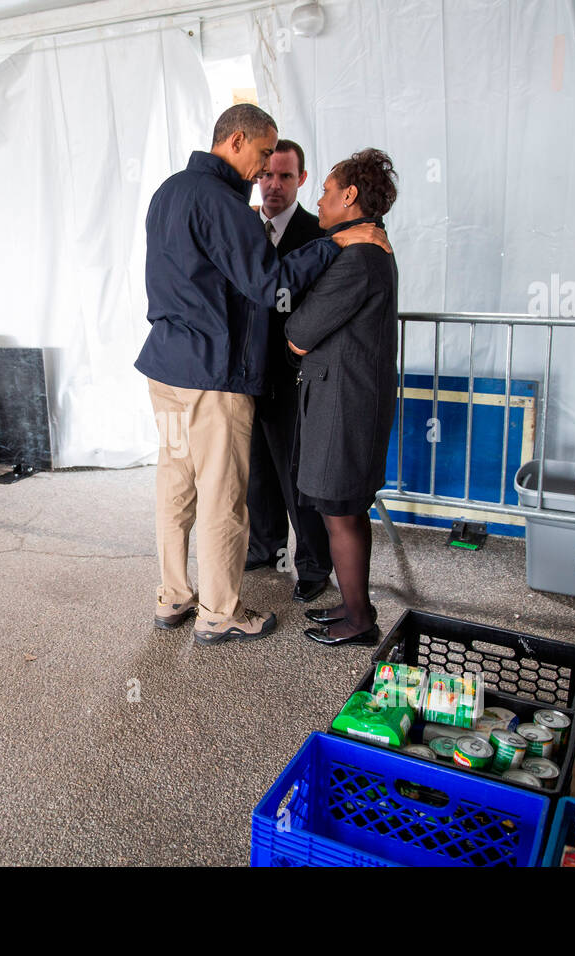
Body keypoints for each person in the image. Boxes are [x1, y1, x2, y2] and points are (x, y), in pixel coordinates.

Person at [137, 105, 390, 647]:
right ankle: (219, 613)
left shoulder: (168, 192)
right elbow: (265, 280)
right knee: (224, 496)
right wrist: (333, 244)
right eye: (260, 154)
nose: (263, 169)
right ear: (235, 141)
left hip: (167, 368)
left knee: (175, 487)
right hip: (212, 373)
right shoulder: (222, 200)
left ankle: (173, 596)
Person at [284, 148, 399, 646]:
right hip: (350, 397)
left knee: (341, 513)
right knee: (348, 511)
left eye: (327, 191)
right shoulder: (365, 250)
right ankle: (358, 606)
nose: (320, 200)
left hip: (345, 403)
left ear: (349, 196)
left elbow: (299, 332)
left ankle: (360, 621)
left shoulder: (358, 259)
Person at [244, 139, 334, 606]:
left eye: (284, 176)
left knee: (299, 478)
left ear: (301, 179)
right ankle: (265, 547)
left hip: (293, 378)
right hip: (245, 376)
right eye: (266, 175)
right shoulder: (242, 229)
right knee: (255, 470)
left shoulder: (319, 233)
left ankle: (314, 565)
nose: (273, 185)